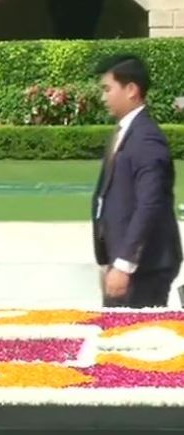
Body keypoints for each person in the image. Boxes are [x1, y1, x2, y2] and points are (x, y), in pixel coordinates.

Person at [92, 54, 182, 307]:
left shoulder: (146, 139)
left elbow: (149, 204)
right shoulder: (125, 131)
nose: (103, 97)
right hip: (122, 261)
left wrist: (124, 264)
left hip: (143, 268)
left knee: (133, 340)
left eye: (107, 89)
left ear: (131, 90)